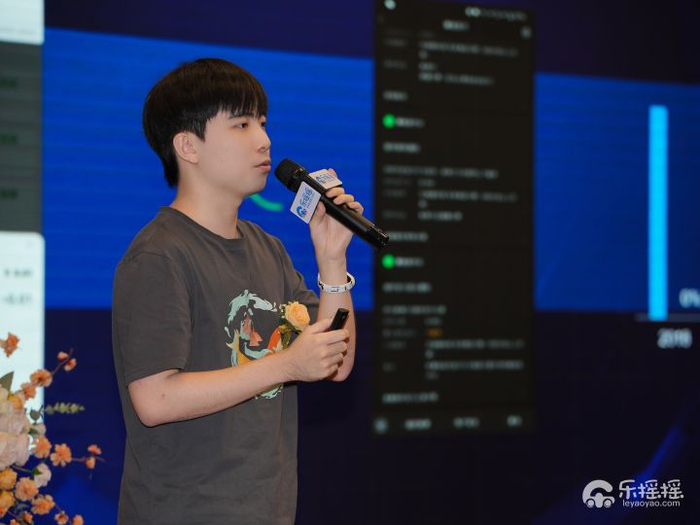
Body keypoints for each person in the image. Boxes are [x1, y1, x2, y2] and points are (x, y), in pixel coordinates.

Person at [111, 58, 361, 524]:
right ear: (188, 146)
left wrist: (332, 261)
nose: (264, 140)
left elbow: (337, 361)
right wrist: (286, 364)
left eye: (263, 123)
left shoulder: (268, 249)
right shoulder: (159, 255)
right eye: (242, 124)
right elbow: (155, 400)